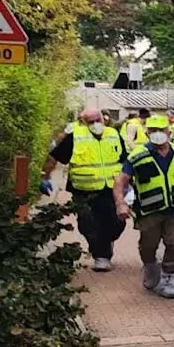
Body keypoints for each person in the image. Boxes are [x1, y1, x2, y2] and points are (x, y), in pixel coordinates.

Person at [40, 108, 127, 271]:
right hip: (82, 190)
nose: (95, 124)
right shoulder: (75, 137)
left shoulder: (114, 135)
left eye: (97, 120)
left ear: (104, 119)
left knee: (115, 223)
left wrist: (131, 183)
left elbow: (125, 161)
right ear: (84, 122)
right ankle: (101, 256)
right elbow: (55, 156)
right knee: (88, 223)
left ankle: (105, 244)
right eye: (91, 122)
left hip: (110, 188)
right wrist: (45, 177)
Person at [114, 114, 174, 298]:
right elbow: (121, 181)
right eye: (153, 130)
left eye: (161, 130)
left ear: (169, 132)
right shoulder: (138, 155)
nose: (157, 134)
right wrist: (121, 204)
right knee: (148, 245)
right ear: (147, 133)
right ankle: (150, 267)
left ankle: (169, 276)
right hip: (148, 211)